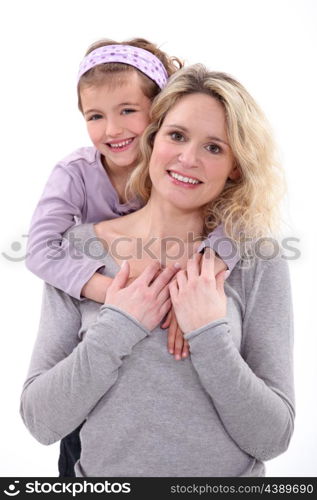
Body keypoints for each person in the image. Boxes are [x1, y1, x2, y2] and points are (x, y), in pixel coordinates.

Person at [21, 64, 294, 477]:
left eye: (214, 148)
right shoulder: (79, 250)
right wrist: (120, 324)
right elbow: (41, 423)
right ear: (153, 137)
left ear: (236, 166)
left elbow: (273, 439)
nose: (188, 158)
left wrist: (207, 333)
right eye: (177, 136)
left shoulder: (257, 258)